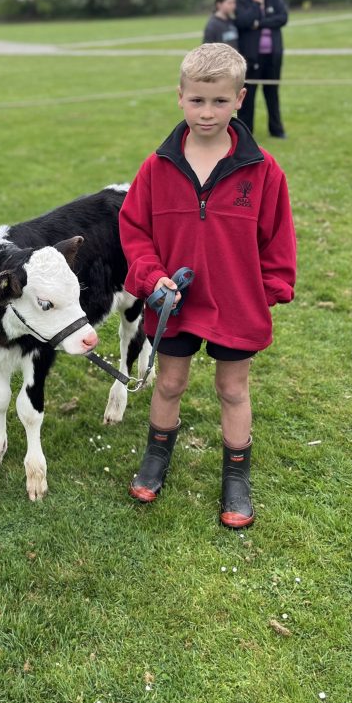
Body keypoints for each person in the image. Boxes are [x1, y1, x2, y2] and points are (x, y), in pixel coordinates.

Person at [119, 43, 296, 528]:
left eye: (219, 101)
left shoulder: (263, 170)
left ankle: (236, 477)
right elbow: (134, 231)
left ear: (240, 99)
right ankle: (156, 457)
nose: (207, 112)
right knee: (169, 382)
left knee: (232, 389)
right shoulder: (156, 168)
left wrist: (266, 291)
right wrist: (152, 278)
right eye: (197, 100)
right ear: (180, 96)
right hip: (173, 304)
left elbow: (278, 241)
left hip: (236, 304)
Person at [234, 0, 288, 138]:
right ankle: (245, 133)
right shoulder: (241, 0)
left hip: (272, 55)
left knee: (272, 93)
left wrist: (259, 23)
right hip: (250, 56)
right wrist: (257, 3)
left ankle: (276, 129)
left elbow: (282, 18)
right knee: (247, 95)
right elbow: (243, 21)